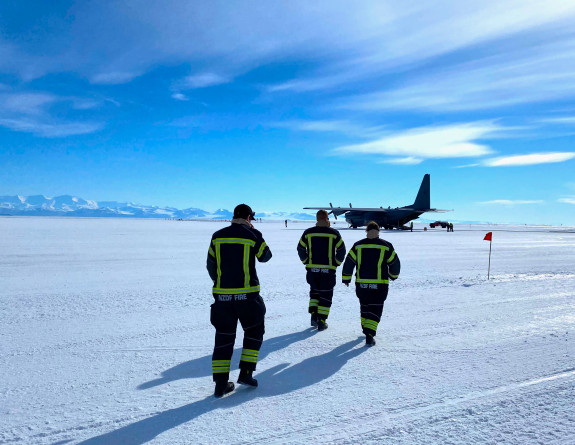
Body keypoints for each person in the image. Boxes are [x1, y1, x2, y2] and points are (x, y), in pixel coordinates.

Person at [206, 204, 272, 397]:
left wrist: (221, 284)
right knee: (254, 332)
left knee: (223, 338)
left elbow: (211, 264)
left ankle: (220, 384)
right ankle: (246, 373)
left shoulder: (217, 236)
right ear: (249, 217)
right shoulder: (253, 235)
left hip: (222, 297)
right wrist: (255, 233)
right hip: (248, 296)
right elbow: (266, 256)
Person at [342, 221, 400, 346]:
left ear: (366, 231)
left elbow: (349, 262)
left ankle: (366, 328)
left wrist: (346, 278)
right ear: (378, 231)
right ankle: (370, 333)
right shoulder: (386, 246)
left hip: (362, 285)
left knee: (364, 306)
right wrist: (393, 276)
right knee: (376, 308)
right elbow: (395, 263)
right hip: (380, 286)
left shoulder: (358, 246)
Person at [297, 210, 346, 331]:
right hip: (328, 272)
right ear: (327, 219)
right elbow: (342, 250)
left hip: (312, 271)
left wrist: (306, 262)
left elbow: (300, 248)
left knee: (314, 293)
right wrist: (336, 263)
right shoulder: (334, 233)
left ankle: (314, 316)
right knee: (326, 295)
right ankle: (322, 321)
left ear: (317, 219)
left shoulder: (308, 233)